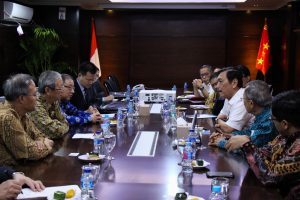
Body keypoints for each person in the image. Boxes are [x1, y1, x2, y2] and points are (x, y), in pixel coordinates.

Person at [225, 90, 300, 198]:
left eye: (272, 119)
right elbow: (265, 152)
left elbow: (271, 176)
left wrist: (247, 145)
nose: (271, 120)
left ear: (284, 124)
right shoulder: (284, 137)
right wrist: (245, 142)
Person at [0, 74, 53, 166]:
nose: (37, 98)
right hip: (10, 175)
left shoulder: (22, 113)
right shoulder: (7, 118)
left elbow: (41, 135)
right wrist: (47, 144)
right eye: (34, 94)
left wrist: (41, 140)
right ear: (21, 98)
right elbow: (31, 154)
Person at [209, 80, 277, 149]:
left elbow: (250, 147)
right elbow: (250, 133)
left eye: (243, 99)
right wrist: (227, 136)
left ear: (251, 103)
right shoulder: (261, 114)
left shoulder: (269, 120)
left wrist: (220, 142)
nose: (242, 101)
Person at [28, 71, 69, 139]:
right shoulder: (34, 104)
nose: (62, 91)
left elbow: (64, 121)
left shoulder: (54, 100)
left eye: (62, 87)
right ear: (47, 90)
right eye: (60, 88)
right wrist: (59, 124)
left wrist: (58, 124)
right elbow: (54, 132)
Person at [214, 68, 254, 133]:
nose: (217, 86)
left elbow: (228, 129)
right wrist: (220, 120)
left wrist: (218, 120)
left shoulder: (243, 98)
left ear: (234, 83)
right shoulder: (229, 96)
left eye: (220, 81)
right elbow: (221, 117)